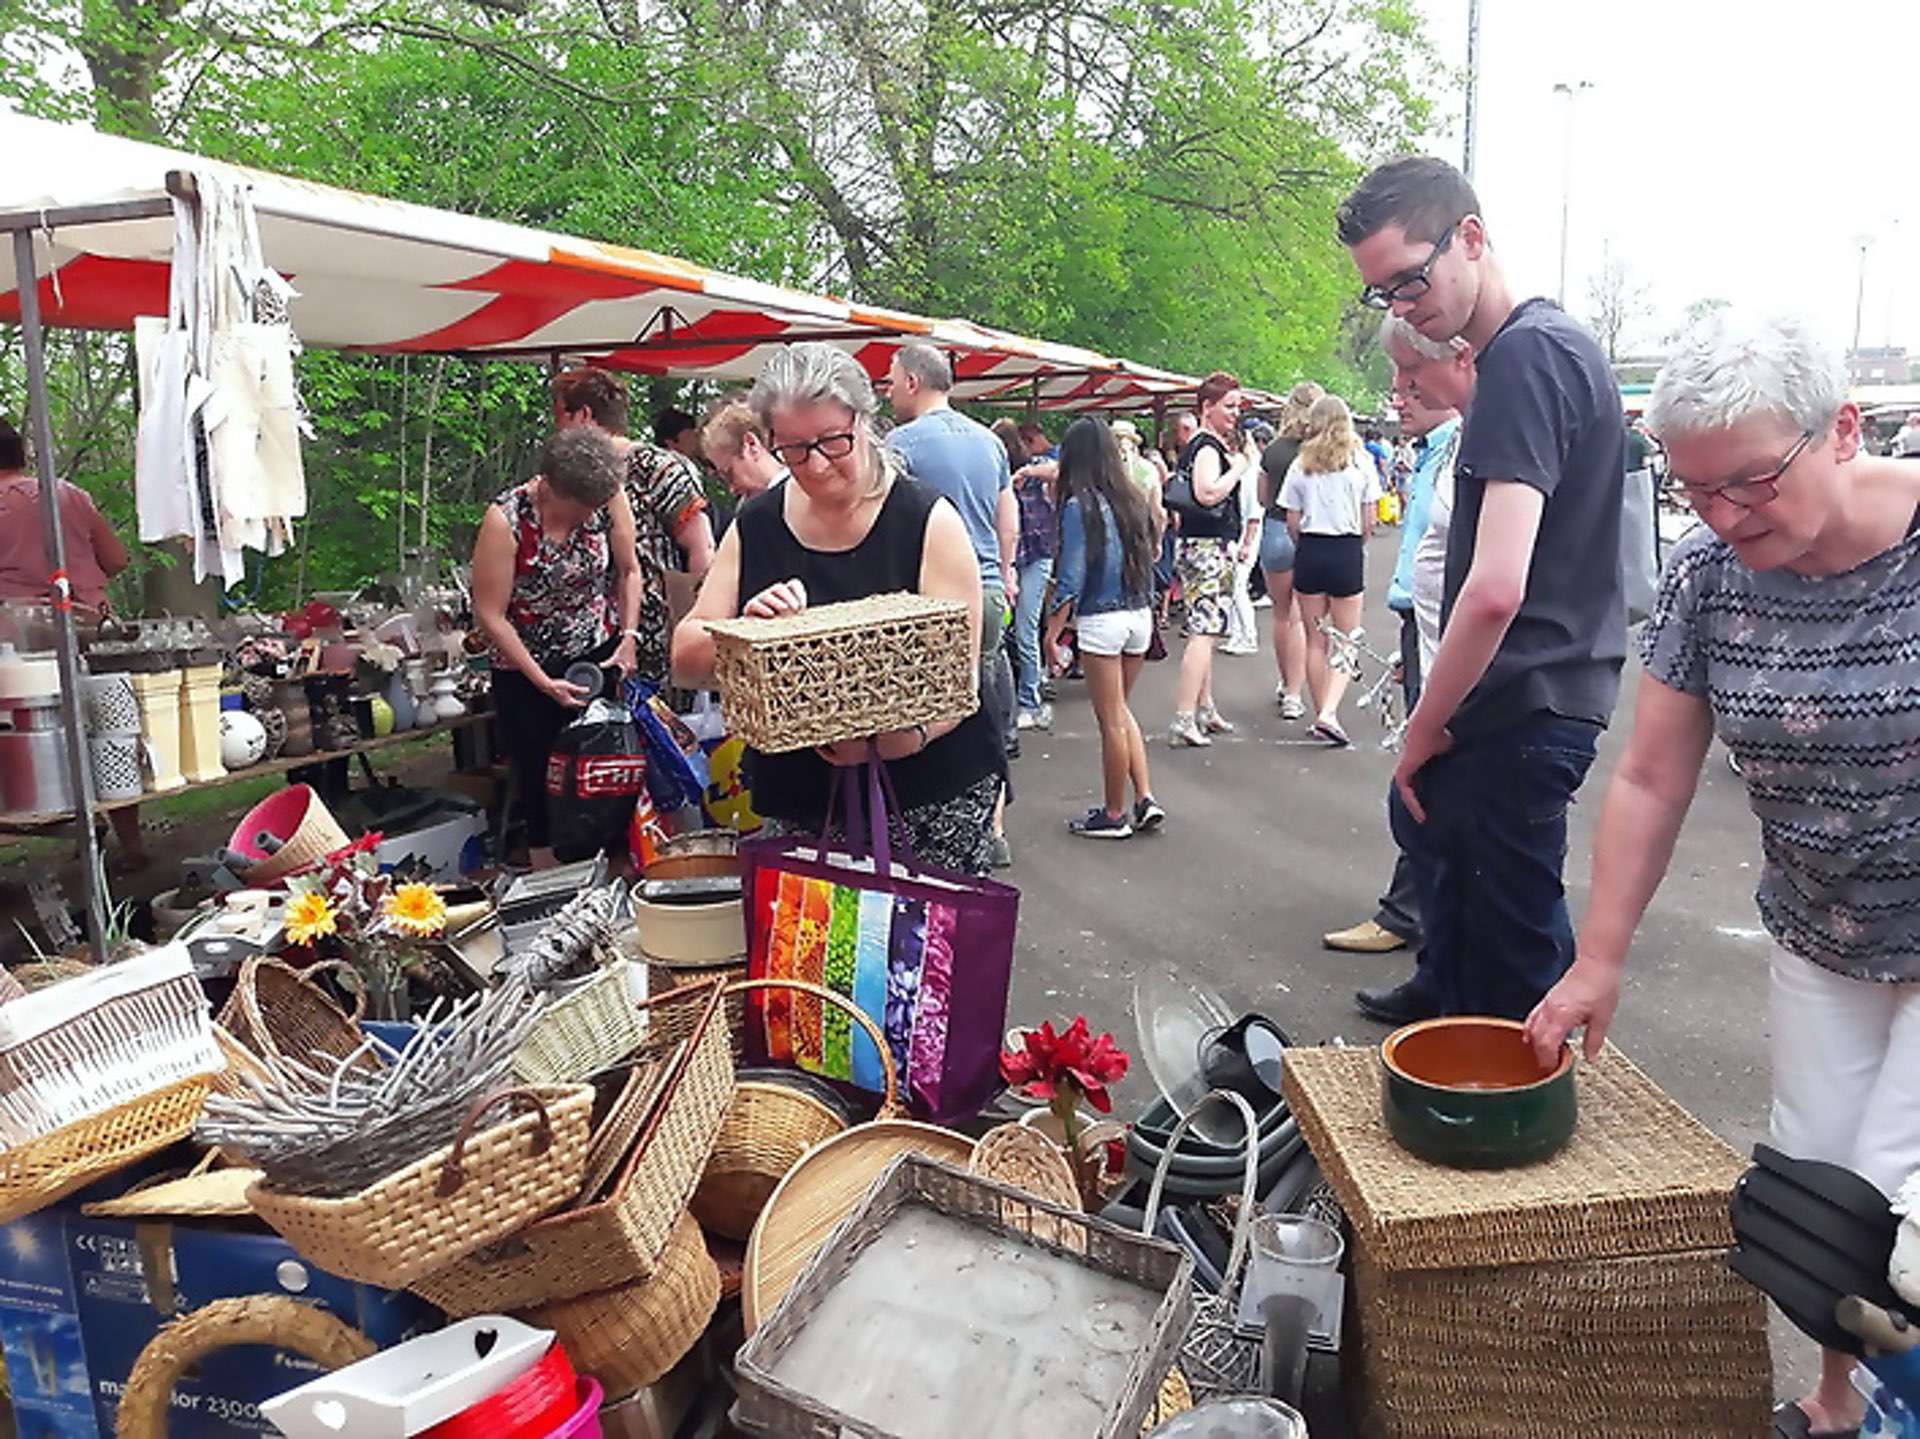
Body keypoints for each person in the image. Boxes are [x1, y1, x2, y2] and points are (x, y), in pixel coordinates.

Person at [1522, 313, 1920, 1439]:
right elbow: (1650, 775)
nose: (1726, 515)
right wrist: (1597, 958)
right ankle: (1839, 1398)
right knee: (1816, 1178)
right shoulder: (1710, 578)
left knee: (1895, 1202)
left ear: (1840, 430)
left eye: (1751, 482)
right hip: (1821, 927)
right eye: (1696, 491)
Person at [1340, 153, 1626, 1025]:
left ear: (1472, 237)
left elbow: (1497, 586)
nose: (1402, 304)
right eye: (1382, 293)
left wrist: (1423, 728)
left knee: (1514, 977)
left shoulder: (1524, 359)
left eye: (1409, 280)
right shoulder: (1536, 351)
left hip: (1524, 699)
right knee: (1464, 904)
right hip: (1528, 695)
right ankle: (1450, 1023)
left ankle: (1515, 1131)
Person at [672, 344, 1002, 874]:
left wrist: (890, 743)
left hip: (928, 796)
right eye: (795, 450)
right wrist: (744, 634)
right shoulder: (756, 524)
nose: (817, 465)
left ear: (864, 419)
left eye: (832, 441)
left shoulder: (925, 520)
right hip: (803, 802)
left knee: (913, 954)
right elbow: (685, 658)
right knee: (814, 953)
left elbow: (958, 681)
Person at [1324, 318, 1470, 955]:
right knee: (1427, 770)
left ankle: (1409, 915)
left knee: (1425, 771)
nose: (1399, 397)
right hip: (1423, 622)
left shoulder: (1461, 448)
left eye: (1412, 385)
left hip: (1444, 632)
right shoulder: (1440, 449)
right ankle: (1421, 918)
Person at [472, 425, 643, 869]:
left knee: (606, 766)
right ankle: (550, 878)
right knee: (539, 776)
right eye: (580, 507)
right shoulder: (506, 519)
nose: (589, 515)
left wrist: (628, 636)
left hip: (595, 653)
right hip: (524, 667)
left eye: (595, 506)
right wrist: (542, 681)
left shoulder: (607, 498)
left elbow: (628, 572)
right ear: (551, 485)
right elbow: (490, 613)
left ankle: (612, 864)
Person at [884, 342, 1016, 865]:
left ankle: (936, 828)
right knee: (983, 709)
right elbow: (1008, 519)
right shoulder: (989, 442)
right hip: (987, 591)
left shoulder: (901, 444)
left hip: (931, 599)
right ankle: (995, 823)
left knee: (934, 713)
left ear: (914, 382)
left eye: (892, 381)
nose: (889, 391)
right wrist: (1006, 574)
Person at [0, 419, 147, 865]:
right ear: (23, 453)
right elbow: (117, 559)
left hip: (15, 649)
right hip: (86, 632)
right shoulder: (70, 494)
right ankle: (132, 845)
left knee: (27, 742)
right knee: (109, 734)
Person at [553, 368, 713, 692]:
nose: (557, 429)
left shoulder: (656, 467)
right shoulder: (568, 475)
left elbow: (702, 547)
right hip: (591, 643)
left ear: (583, 415)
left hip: (654, 645)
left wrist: (696, 630)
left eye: (560, 417)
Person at [1043, 419, 1164, 839]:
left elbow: (1072, 577)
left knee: (1110, 719)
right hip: (1139, 615)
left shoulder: (1080, 506)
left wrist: (1052, 632)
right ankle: (1144, 797)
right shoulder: (1131, 498)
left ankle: (1113, 815)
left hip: (1102, 619)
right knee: (1122, 711)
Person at [1277, 395, 1379, 746]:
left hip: (1310, 548)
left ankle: (1320, 710)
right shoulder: (1361, 462)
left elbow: (1291, 519)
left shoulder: (1301, 464)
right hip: (1346, 547)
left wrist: (1304, 542)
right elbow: (1370, 518)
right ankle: (1329, 712)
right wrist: (1357, 543)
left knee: (1314, 638)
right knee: (1348, 637)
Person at [1168, 373, 1259, 748]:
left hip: (1202, 545)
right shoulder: (1207, 447)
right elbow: (1206, 494)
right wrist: (1239, 466)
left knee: (1205, 626)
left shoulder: (1202, 445)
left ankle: (1203, 707)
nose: (1235, 414)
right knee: (1204, 631)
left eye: (1237, 407)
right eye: (1230, 406)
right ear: (1207, 408)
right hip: (1206, 545)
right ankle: (1185, 716)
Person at [1259, 382, 1322, 719]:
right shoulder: (1321, 450)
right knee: (1304, 617)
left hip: (1274, 529)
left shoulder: (1273, 450)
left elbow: (1261, 496)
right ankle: (1296, 695)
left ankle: (1287, 683)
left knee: (1282, 614)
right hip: (1311, 532)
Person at [1010, 422, 1059, 731]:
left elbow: (1060, 468)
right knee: (1015, 631)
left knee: (1025, 629)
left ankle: (1030, 701)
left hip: (1036, 557)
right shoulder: (1000, 477)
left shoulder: (1037, 470)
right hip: (1016, 560)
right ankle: (1031, 685)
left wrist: (1026, 473)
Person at [700, 396, 785, 501]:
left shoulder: (800, 496)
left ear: (751, 444)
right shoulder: (747, 508)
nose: (732, 489)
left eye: (730, 475)